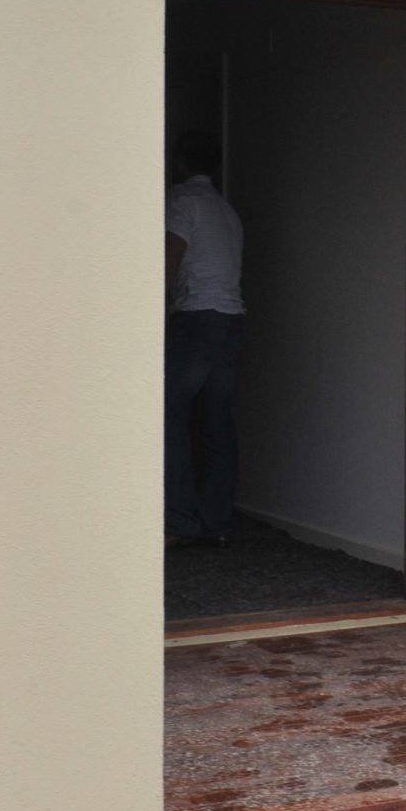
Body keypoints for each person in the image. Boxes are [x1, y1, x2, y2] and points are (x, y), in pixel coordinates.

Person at [165, 128, 244, 548]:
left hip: (197, 316)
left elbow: (169, 261)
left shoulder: (182, 201)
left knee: (169, 411)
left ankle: (178, 521)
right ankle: (217, 522)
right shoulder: (226, 210)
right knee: (216, 419)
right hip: (231, 318)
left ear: (179, 162)